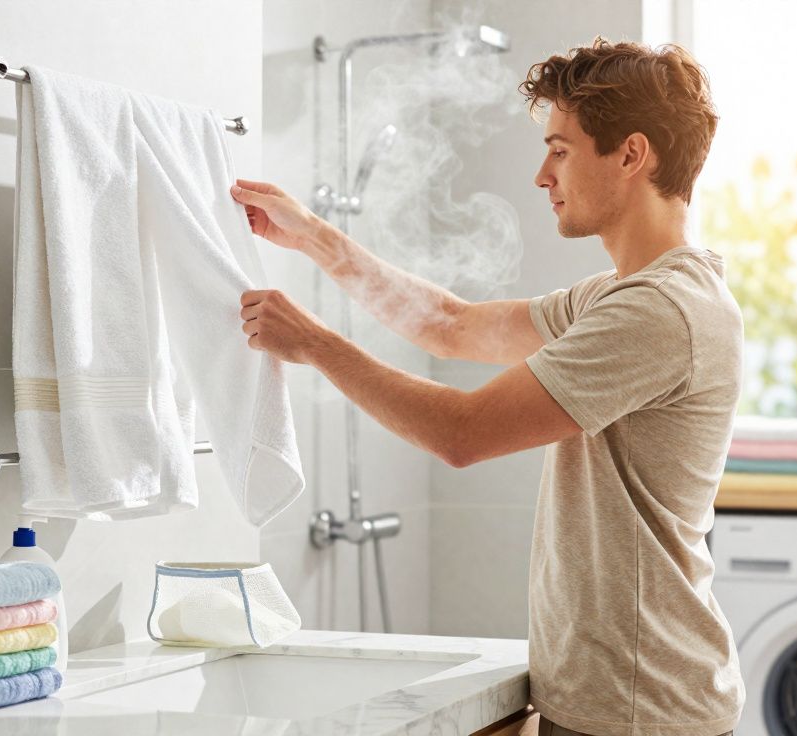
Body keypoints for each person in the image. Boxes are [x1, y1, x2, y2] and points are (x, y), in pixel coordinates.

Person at [229, 36, 743, 736]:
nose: (541, 175)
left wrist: (314, 343)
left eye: (560, 150)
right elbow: (450, 326)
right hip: (620, 698)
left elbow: (461, 434)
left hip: (638, 709)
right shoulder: (624, 296)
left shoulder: (658, 312)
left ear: (630, 154)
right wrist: (315, 237)